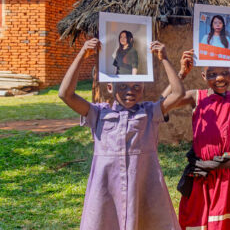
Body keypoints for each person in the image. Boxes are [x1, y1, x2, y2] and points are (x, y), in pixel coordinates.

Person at [58, 38, 184, 230]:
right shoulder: (98, 113)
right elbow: (65, 94)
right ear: (110, 87)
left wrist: (164, 58)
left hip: (144, 186)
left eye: (136, 87)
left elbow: (178, 93)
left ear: (143, 88)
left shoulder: (149, 112)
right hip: (107, 190)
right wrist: (82, 54)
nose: (130, 91)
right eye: (123, 86)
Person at [166, 46, 230, 230]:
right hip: (202, 172)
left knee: (223, 221)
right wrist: (181, 74)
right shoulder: (196, 97)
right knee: (198, 218)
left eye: (225, 73)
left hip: (227, 174)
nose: (220, 78)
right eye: (212, 74)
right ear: (203, 76)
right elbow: (166, 102)